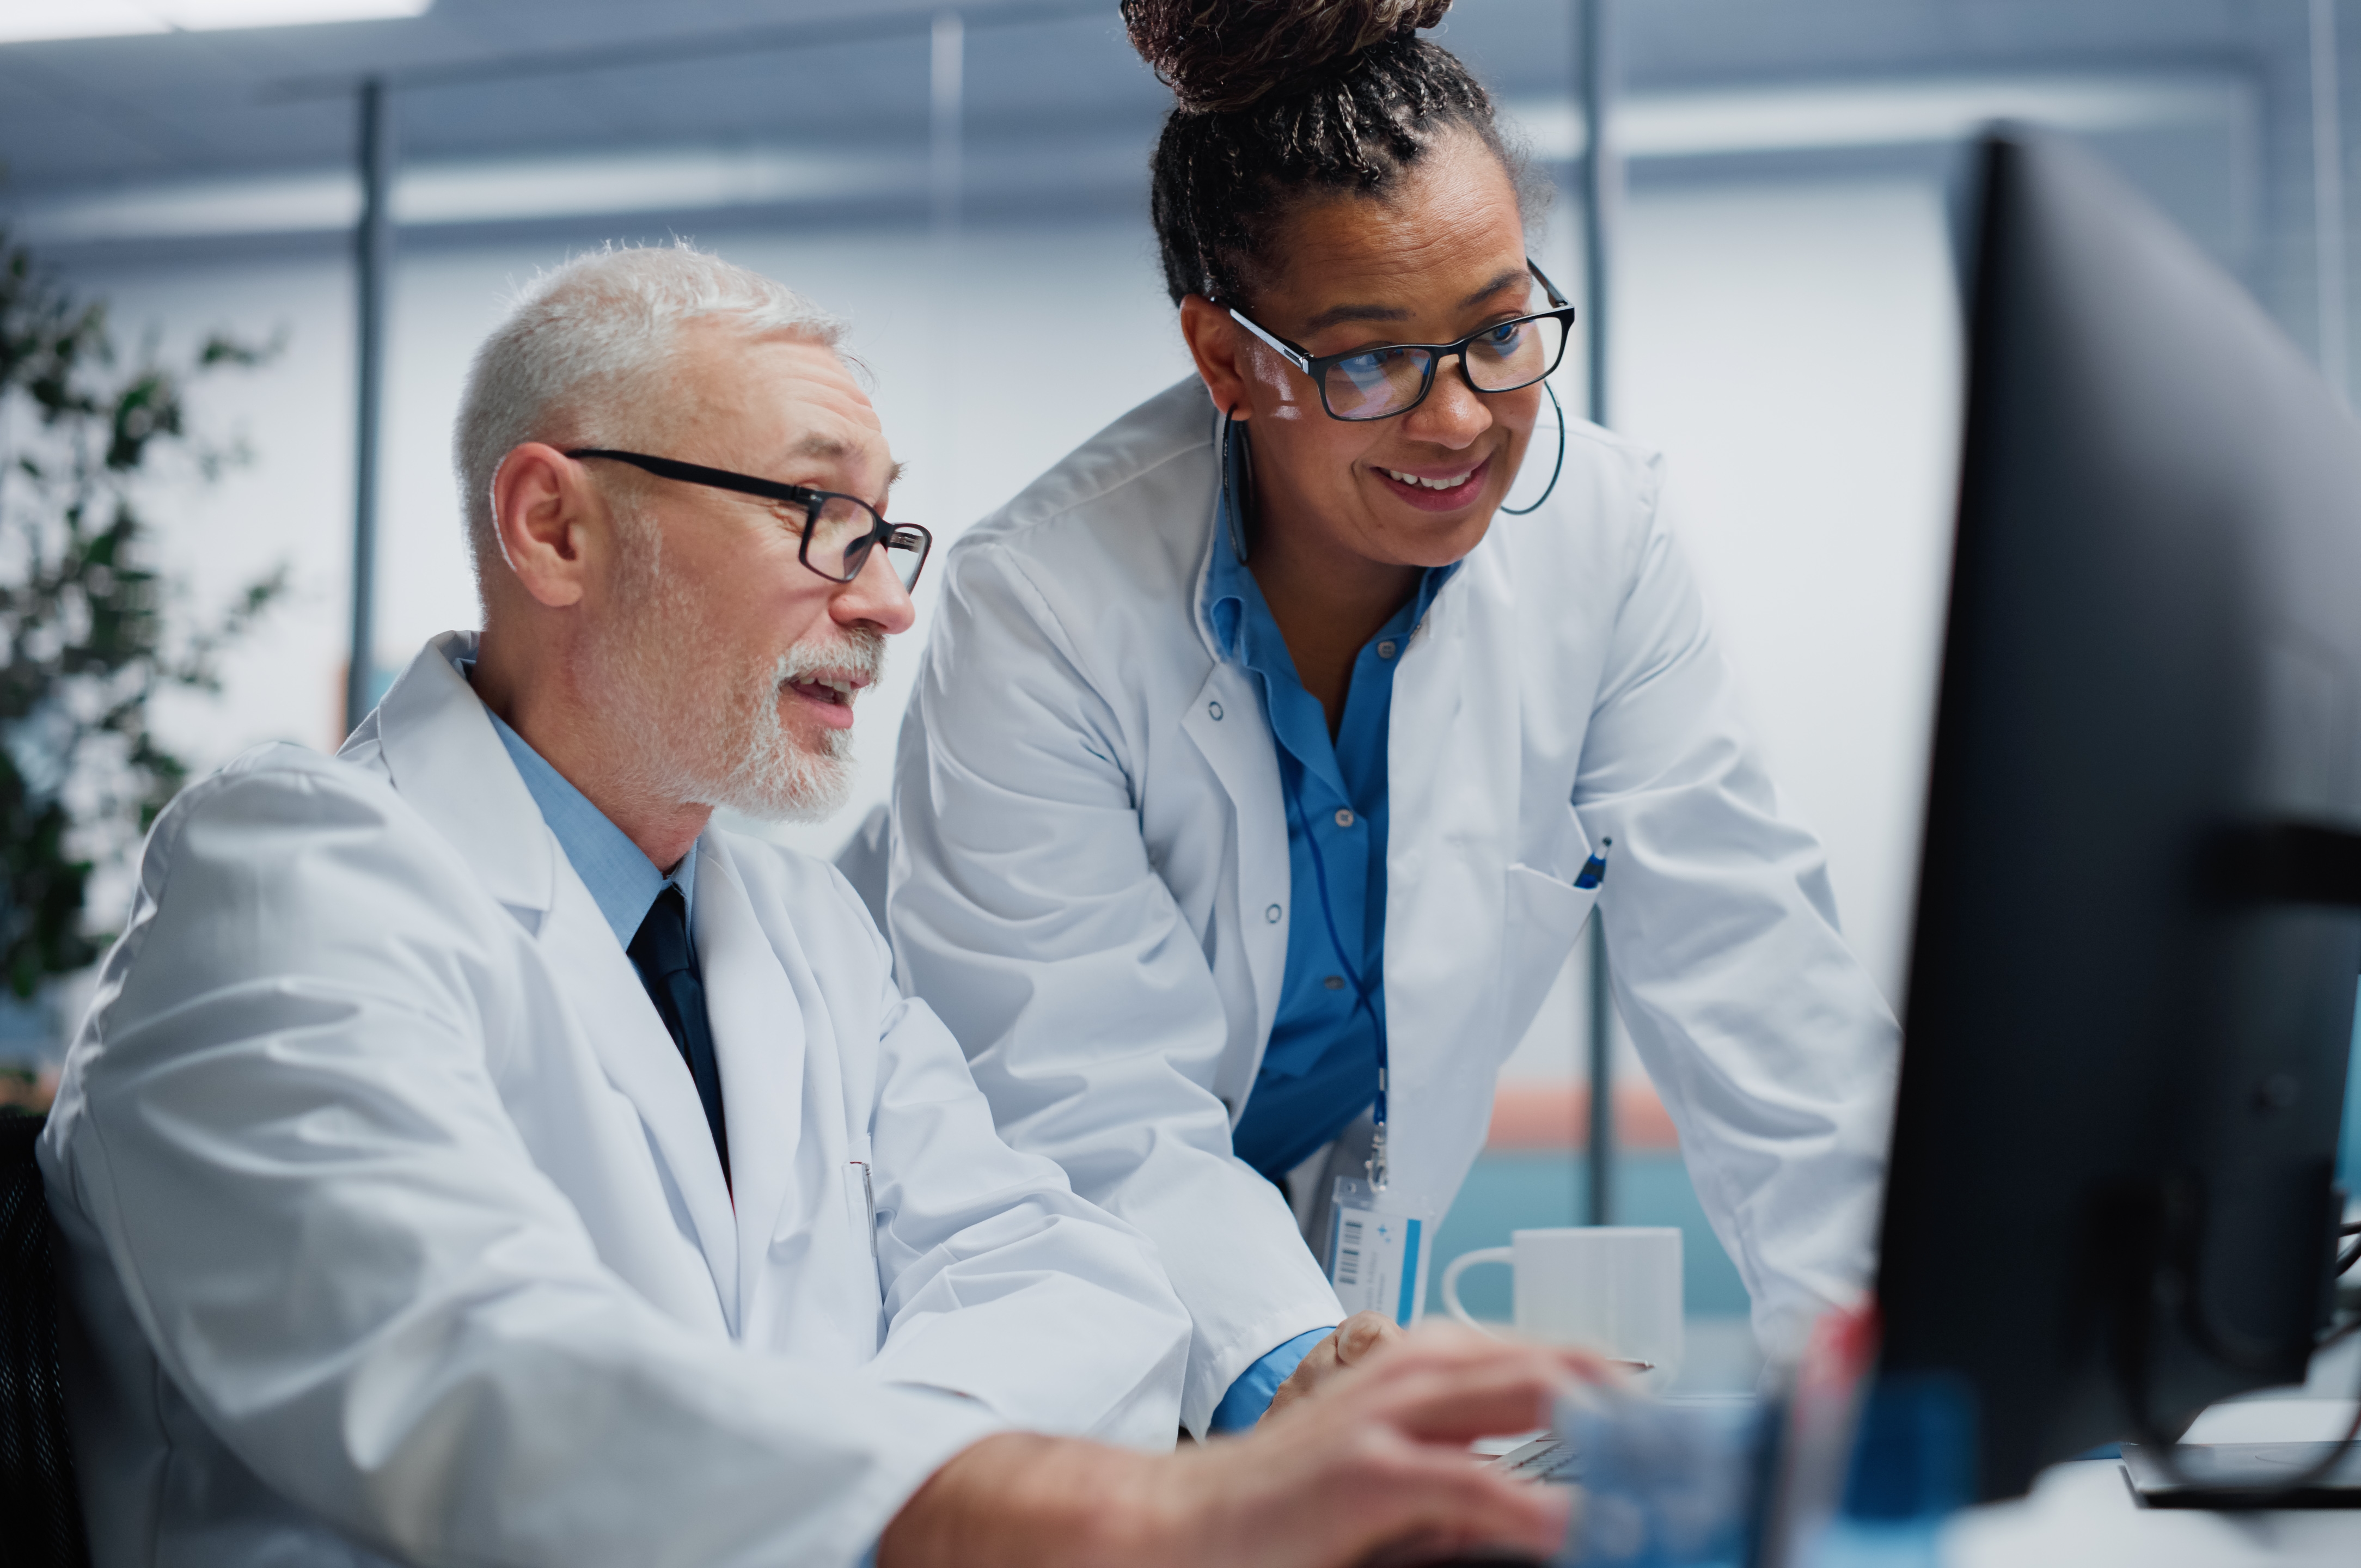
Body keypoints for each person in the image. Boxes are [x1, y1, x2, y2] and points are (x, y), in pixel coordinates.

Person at [39, 244, 1589, 1568]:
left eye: (885, 528)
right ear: (556, 528)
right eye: (814, 514)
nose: (888, 600)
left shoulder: (795, 930)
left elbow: (1071, 1278)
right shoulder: (284, 884)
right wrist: (1131, 1516)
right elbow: (486, 1379)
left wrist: (866, 1476)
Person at [883, 0, 1903, 1442]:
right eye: (1369, 361)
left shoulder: (1602, 540)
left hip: (1330, 1298)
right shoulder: (1042, 604)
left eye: (1499, 333)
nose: (1462, 420)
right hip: (1042, 1316)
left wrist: (1898, 1360)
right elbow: (1079, 1099)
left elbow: (1760, 983)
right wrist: (1302, 1362)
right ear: (1229, 361)